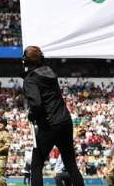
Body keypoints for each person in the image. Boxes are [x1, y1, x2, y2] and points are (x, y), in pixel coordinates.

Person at [22, 46, 83, 186]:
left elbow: (36, 104)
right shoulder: (50, 72)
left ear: (26, 62)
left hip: (49, 125)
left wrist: (32, 114)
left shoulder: (30, 79)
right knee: (71, 164)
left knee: (36, 165)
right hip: (65, 121)